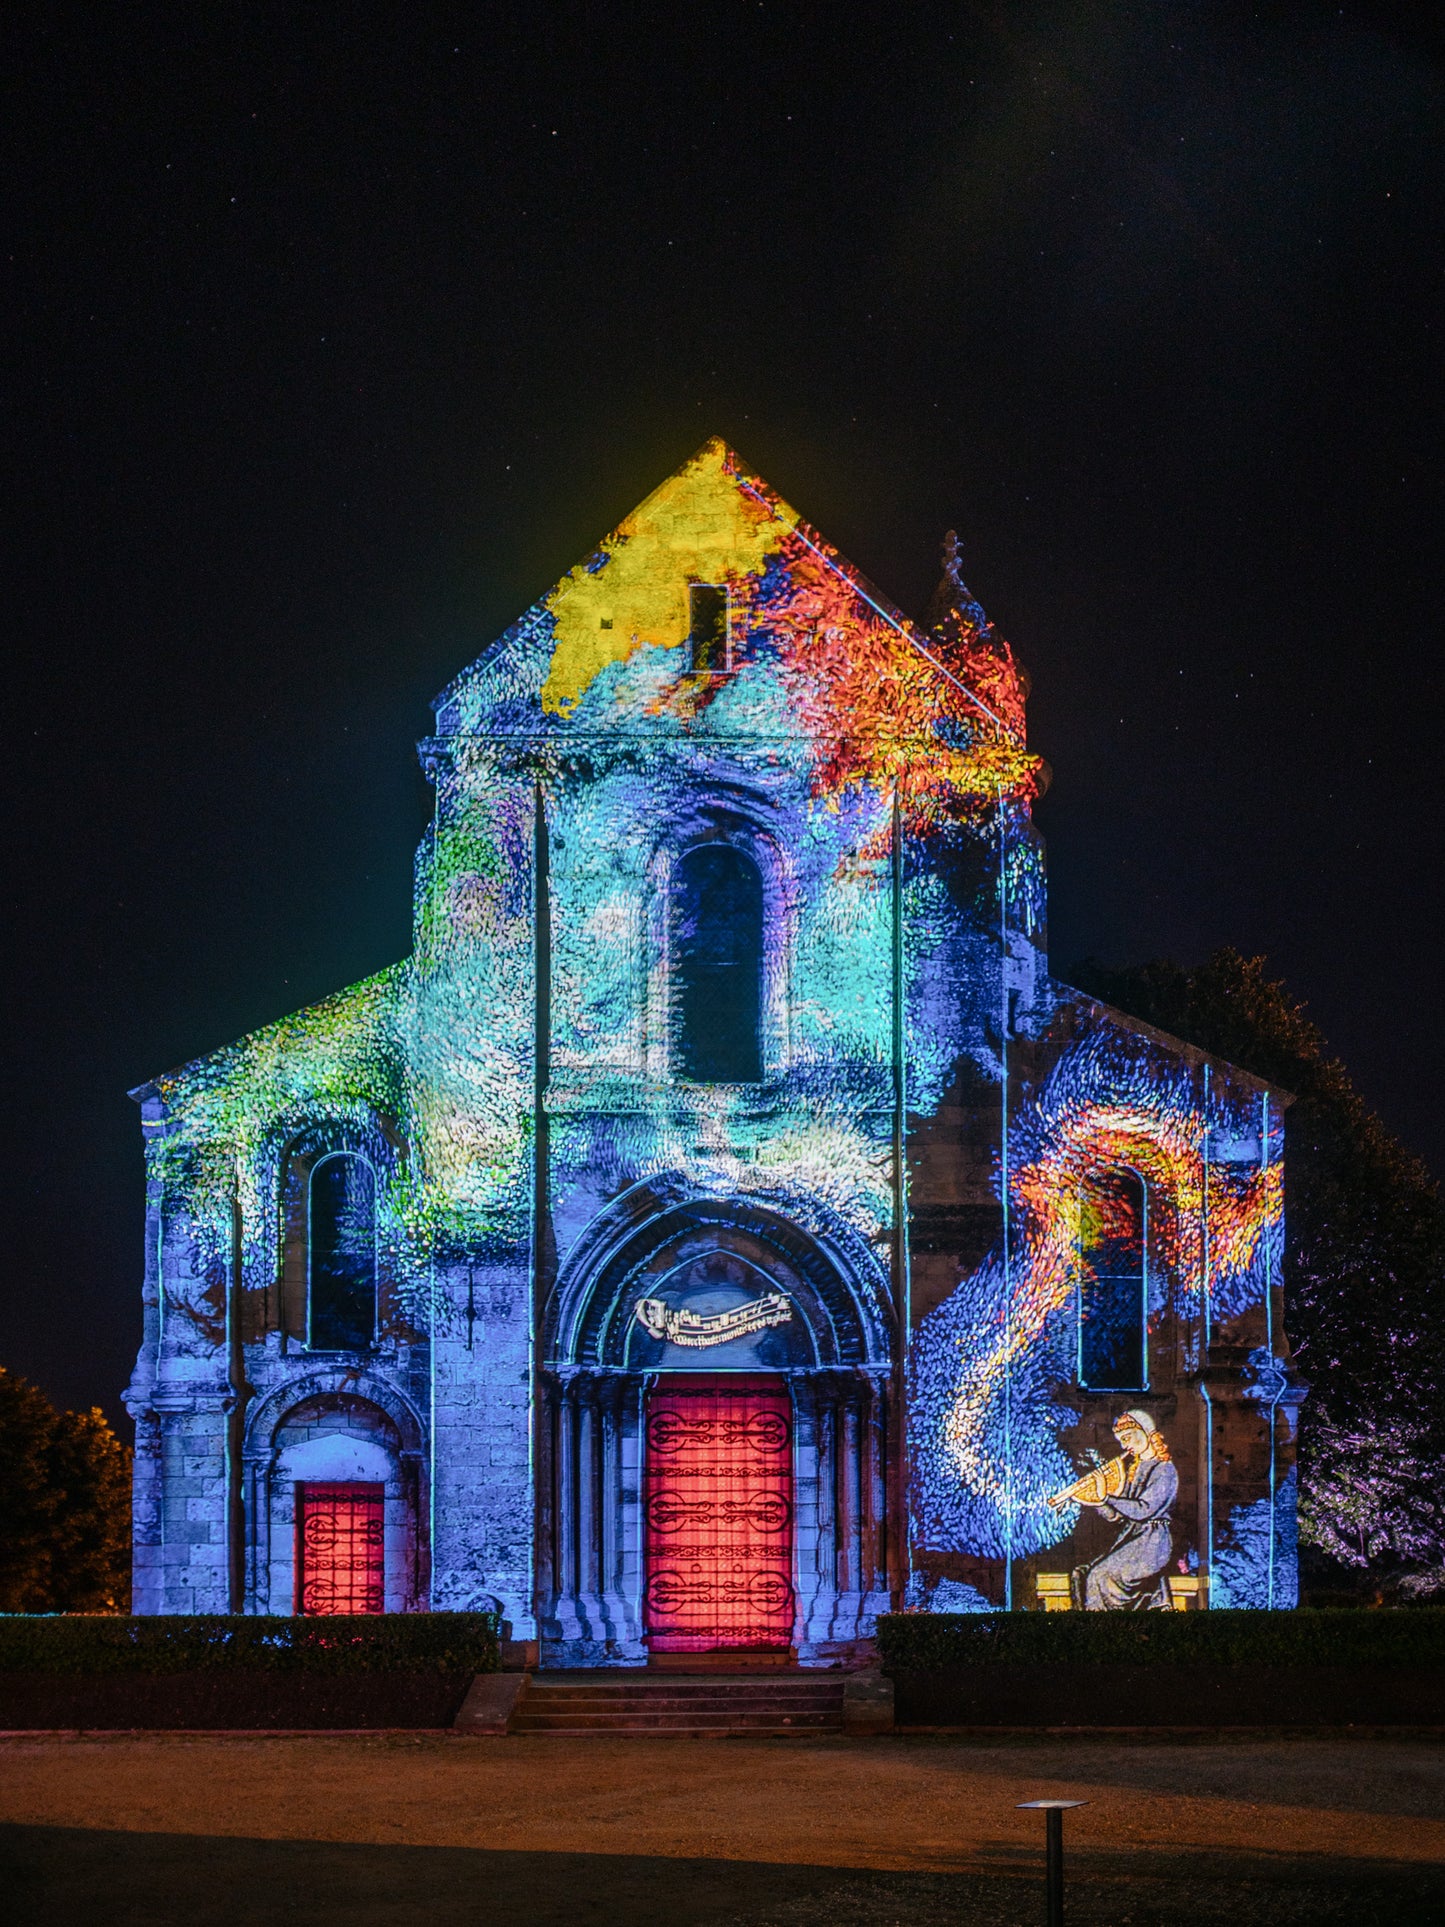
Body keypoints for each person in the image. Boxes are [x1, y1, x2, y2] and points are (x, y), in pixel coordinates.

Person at [1072, 1409, 1177, 1610]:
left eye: (1127, 1438)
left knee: (1099, 1576)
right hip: (1131, 1537)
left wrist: (1107, 1497)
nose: (1124, 1445)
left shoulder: (1164, 1469)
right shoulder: (1134, 1470)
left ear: (1145, 1432)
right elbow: (1118, 1516)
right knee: (1083, 1573)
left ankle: (1107, 1632)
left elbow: (1143, 1509)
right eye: (1121, 1440)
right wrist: (1095, 1500)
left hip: (1152, 1543)